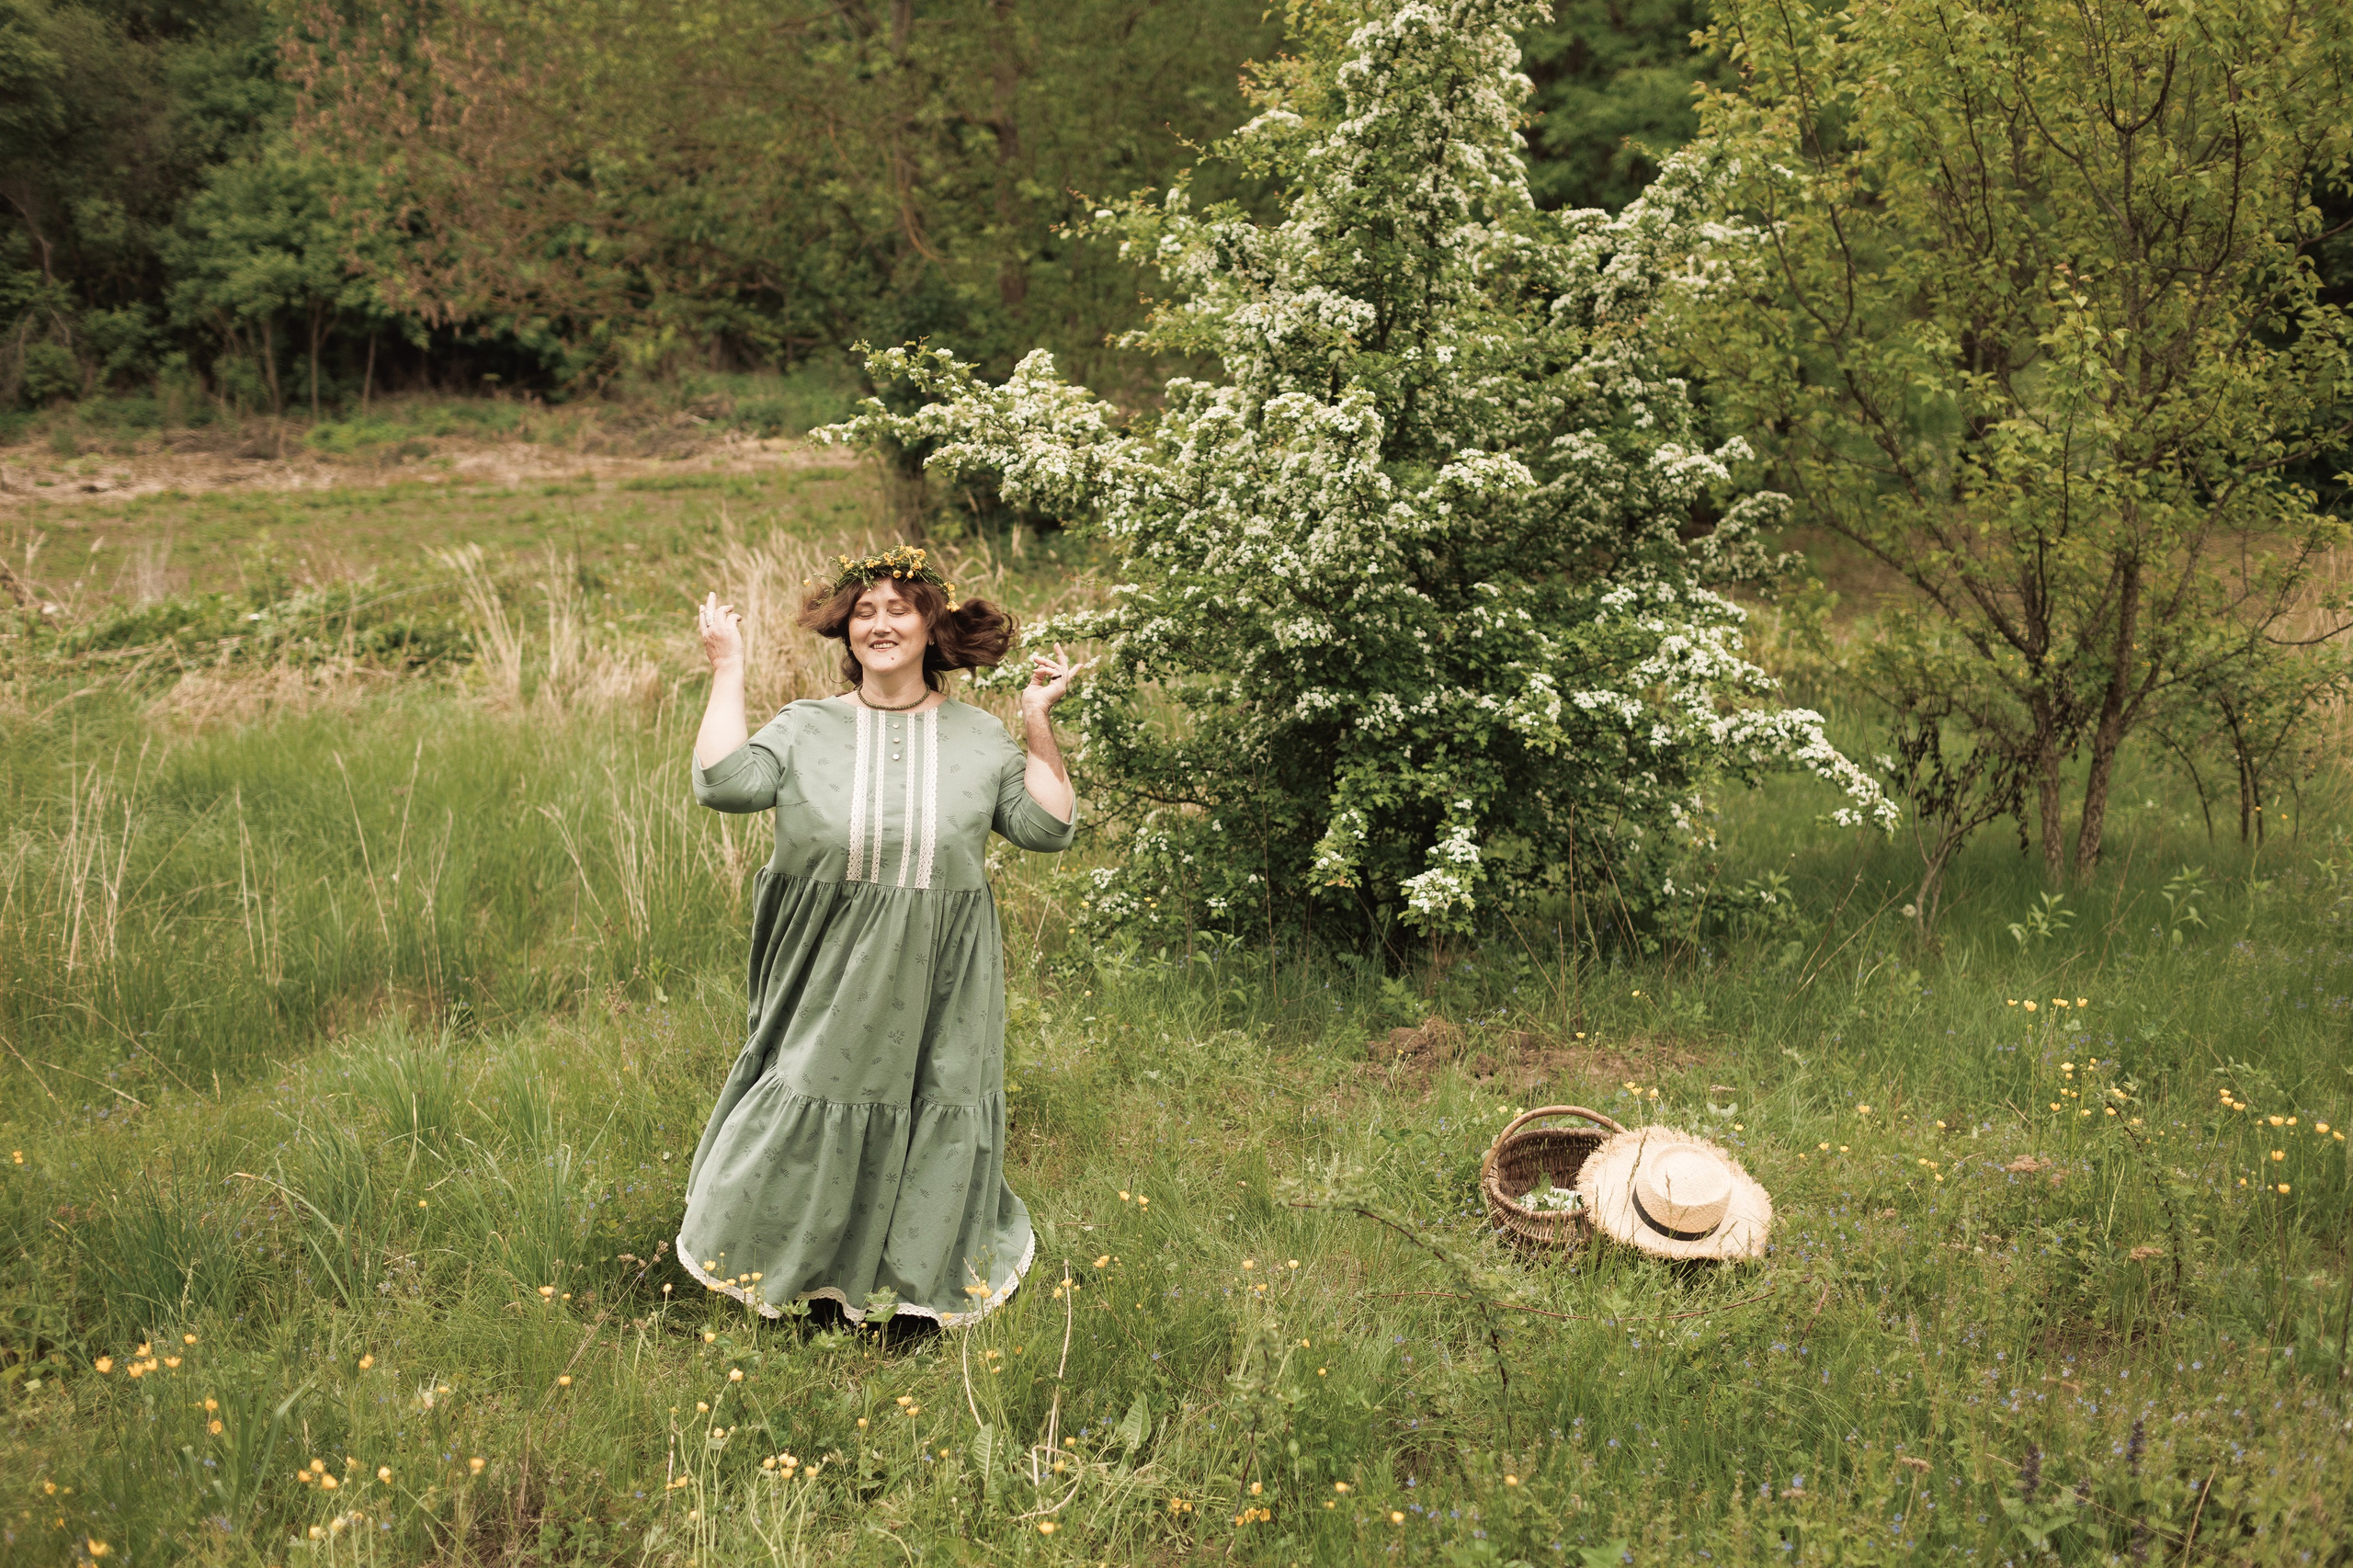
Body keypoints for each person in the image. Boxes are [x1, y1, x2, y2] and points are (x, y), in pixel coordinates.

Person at [677, 546, 1080, 1326]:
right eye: (865, 612)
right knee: (810, 1094)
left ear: (932, 626)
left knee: (936, 1101)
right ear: (846, 633)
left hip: (943, 970)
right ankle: (792, 1273)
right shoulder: (805, 728)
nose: (881, 624)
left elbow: (1045, 829)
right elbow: (724, 784)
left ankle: (908, 1294)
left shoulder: (980, 736)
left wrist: (1035, 723)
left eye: (900, 608)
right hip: (827, 959)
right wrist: (728, 668)